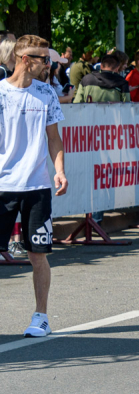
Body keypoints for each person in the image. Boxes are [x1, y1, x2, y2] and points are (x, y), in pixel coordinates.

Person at [0, 35, 69, 337]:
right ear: (26, 60)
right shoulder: (0, 93)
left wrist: (60, 170)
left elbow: (54, 138)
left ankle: (41, 317)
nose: (48, 64)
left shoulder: (46, 92)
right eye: (43, 59)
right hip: (3, 186)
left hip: (37, 186)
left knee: (37, 254)